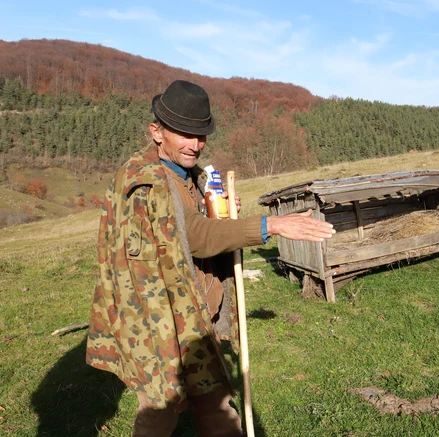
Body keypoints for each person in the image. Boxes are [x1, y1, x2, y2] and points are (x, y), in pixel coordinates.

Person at [86, 79, 334, 437]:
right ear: (156, 131)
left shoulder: (189, 176)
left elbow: (193, 229)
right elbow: (196, 238)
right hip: (160, 324)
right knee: (161, 407)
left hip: (195, 316)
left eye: (200, 135)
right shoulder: (146, 184)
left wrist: (213, 209)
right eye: (184, 134)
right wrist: (270, 225)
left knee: (216, 402)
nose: (195, 145)